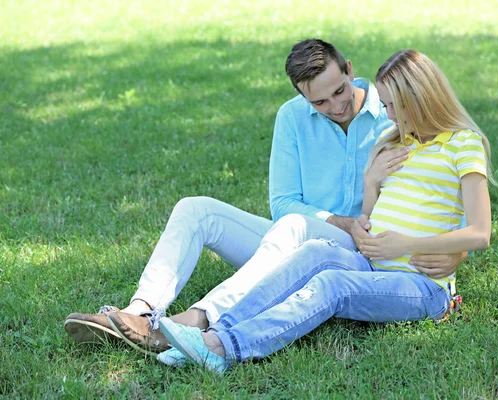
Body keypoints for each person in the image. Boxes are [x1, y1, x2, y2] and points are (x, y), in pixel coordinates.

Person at [64, 40, 464, 354]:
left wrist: (456, 252)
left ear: (349, 71)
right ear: (302, 96)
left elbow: (443, 193)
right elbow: (284, 204)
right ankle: (139, 314)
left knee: (293, 228)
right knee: (197, 209)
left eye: (340, 92)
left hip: (354, 254)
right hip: (294, 241)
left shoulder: (395, 115)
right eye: (319, 102)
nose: (336, 106)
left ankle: (198, 320)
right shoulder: (292, 117)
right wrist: (340, 221)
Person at [156, 48, 494, 373]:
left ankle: (223, 348)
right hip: (370, 264)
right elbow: (370, 217)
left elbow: (480, 233)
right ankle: (210, 334)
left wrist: (405, 246)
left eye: (393, 106)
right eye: (387, 105)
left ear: (420, 98)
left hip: (422, 285)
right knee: (314, 251)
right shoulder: (399, 140)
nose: (389, 115)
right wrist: (370, 183)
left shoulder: (463, 143)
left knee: (332, 286)